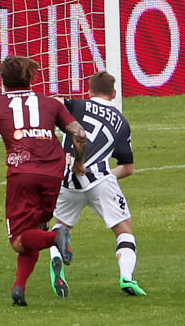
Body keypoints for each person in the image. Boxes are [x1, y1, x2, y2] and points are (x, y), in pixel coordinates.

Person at [0, 55, 88, 307]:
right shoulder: (50, 103)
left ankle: (57, 237)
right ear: (31, 77)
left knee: (19, 240)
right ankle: (19, 288)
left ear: (2, 81)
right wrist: (78, 161)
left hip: (22, 174)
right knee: (35, 230)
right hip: (54, 173)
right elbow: (79, 133)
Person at [47, 71, 144, 298]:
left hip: (67, 177)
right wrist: (104, 176)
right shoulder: (122, 123)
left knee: (61, 225)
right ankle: (127, 277)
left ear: (88, 91)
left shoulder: (75, 105)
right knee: (124, 230)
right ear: (114, 94)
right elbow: (128, 168)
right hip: (99, 178)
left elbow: (54, 103)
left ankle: (56, 258)